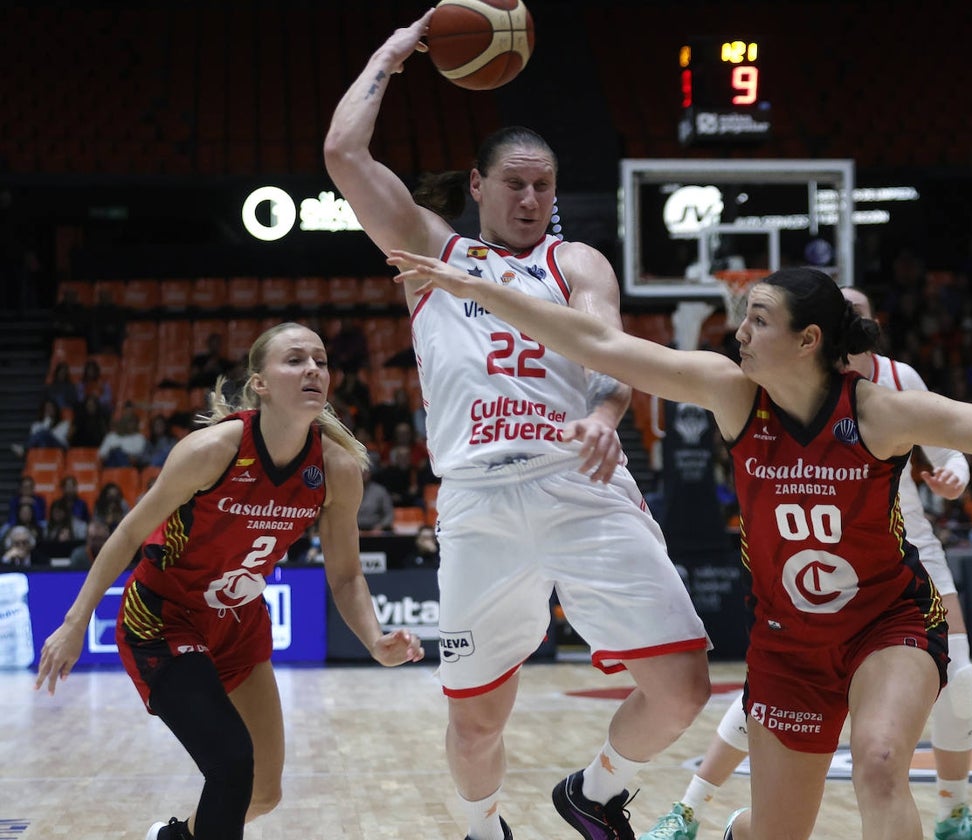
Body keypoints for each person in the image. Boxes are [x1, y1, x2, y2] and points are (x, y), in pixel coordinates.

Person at [386, 257, 972, 840]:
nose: (740, 331)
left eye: (758, 319)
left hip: (887, 625)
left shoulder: (883, 414)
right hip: (788, 645)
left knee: (882, 761)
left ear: (809, 339)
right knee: (775, 832)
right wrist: (478, 290)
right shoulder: (732, 394)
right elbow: (597, 342)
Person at [326, 15, 712, 840]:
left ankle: (597, 792)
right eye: (516, 185)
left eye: (545, 186)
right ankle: (481, 830)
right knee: (478, 718)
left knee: (682, 686)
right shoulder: (431, 253)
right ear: (478, 184)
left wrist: (608, 414)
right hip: (478, 501)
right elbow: (343, 158)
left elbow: (613, 362)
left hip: (581, 484)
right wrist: (392, 56)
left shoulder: (577, 265)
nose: (533, 200)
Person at [635, 287, 972, 840]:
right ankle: (694, 807)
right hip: (807, 558)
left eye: (858, 313)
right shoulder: (766, 387)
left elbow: (956, 439)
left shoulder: (896, 381)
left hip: (900, 549)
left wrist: (957, 472)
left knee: (951, 683)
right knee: (764, 705)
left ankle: (955, 814)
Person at [34, 322, 426, 840]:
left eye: (321, 360)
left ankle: (173, 838)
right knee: (233, 765)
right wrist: (74, 621)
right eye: (295, 360)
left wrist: (375, 640)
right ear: (259, 383)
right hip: (163, 618)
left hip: (238, 623)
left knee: (263, 793)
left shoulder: (336, 468)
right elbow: (129, 531)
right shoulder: (212, 449)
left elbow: (348, 574)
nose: (313, 368)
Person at [357, 466, 395, 533]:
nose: (363, 474)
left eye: (366, 471)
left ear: (370, 473)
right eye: (361, 471)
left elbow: (389, 514)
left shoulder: (380, 491)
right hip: (355, 529)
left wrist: (381, 526)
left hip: (376, 529)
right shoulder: (349, 491)